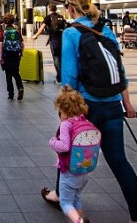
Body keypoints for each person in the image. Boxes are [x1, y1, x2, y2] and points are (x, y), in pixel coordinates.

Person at [42, 0, 137, 223]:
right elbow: (120, 71)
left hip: (85, 106)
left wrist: (65, 112)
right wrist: (126, 103)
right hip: (113, 104)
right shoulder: (107, 30)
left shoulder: (71, 33)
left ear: (70, 7)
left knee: (66, 148)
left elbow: (69, 77)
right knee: (120, 162)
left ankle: (60, 195)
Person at [49, 86, 96, 223]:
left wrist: (52, 142)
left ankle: (79, 221)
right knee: (76, 197)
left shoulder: (66, 124)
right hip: (84, 171)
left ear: (63, 109)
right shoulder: (84, 121)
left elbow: (64, 146)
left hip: (69, 172)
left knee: (65, 203)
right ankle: (82, 218)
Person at [33, 4, 66, 83]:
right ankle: (63, 76)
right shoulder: (61, 17)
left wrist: (36, 35)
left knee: (56, 58)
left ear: (49, 9)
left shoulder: (48, 17)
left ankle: (59, 78)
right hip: (62, 39)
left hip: (54, 40)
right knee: (61, 57)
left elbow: (42, 28)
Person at [0, 14, 24, 100]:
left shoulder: (3, 32)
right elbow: (22, 44)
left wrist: (0, 57)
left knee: (8, 75)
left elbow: (1, 45)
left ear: (4, 22)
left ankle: (11, 94)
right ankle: (20, 87)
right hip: (16, 54)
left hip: (6, 55)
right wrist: (21, 53)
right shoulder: (16, 31)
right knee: (16, 73)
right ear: (13, 21)